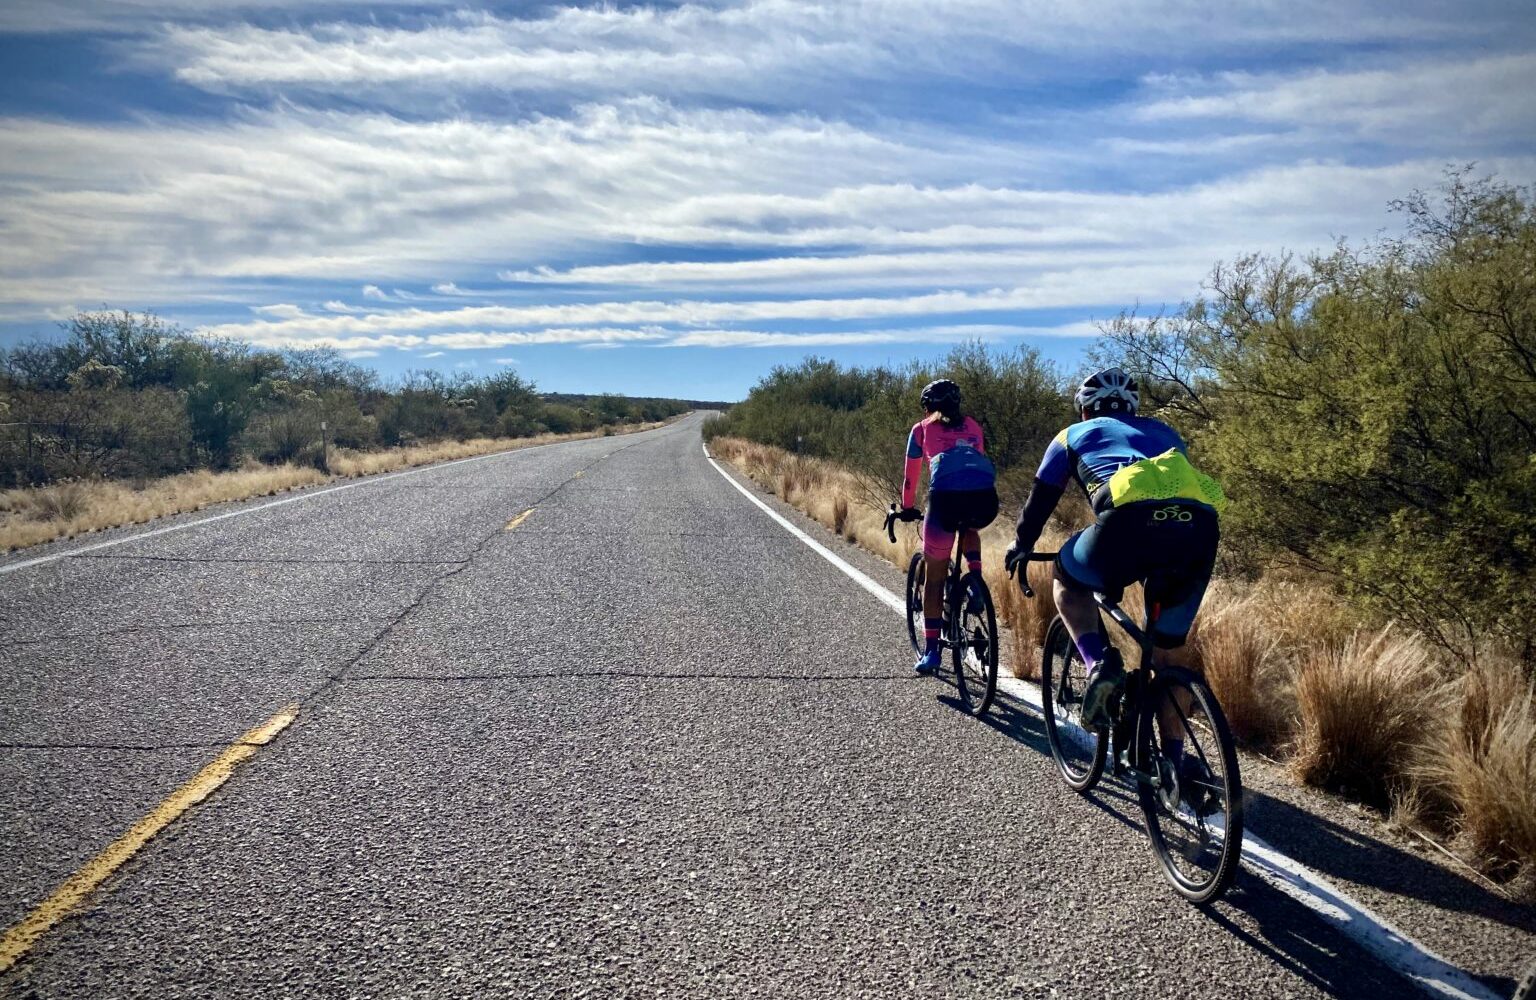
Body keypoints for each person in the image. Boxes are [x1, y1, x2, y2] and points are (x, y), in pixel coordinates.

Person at [1004, 367, 1227, 745]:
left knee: (1066, 577)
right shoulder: (1166, 434)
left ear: (1085, 410)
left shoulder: (1070, 435)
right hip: (1198, 528)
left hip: (1127, 524)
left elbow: (1041, 499)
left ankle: (1099, 665)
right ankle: (1173, 769)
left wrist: (1021, 544)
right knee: (1168, 654)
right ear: (1133, 407)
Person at [899, 379, 999, 674]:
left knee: (935, 580)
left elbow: (910, 477)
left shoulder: (921, 430)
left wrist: (906, 508)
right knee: (969, 525)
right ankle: (976, 580)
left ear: (928, 406)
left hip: (944, 503)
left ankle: (932, 652)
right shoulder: (973, 426)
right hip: (985, 502)